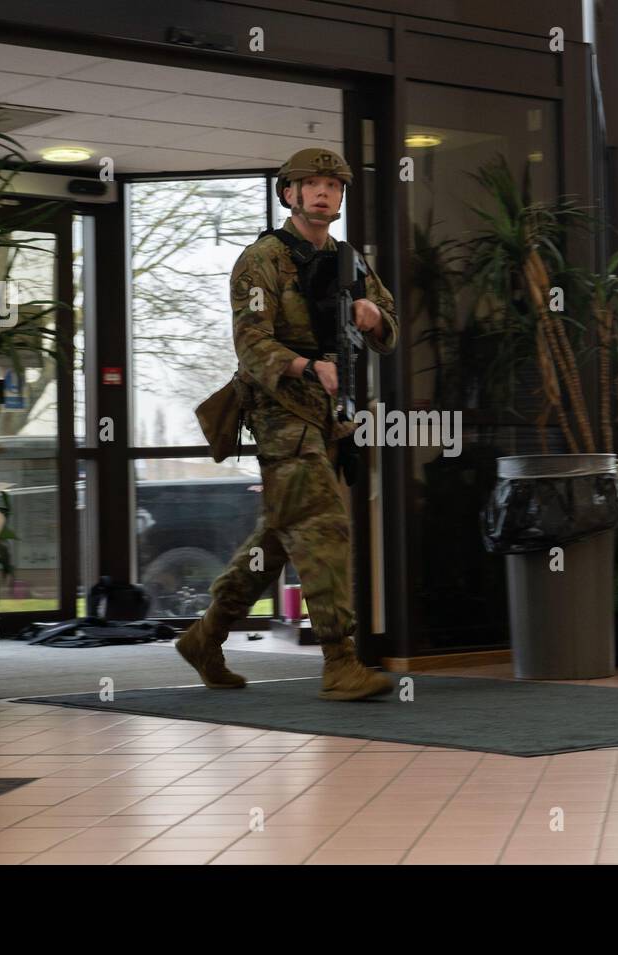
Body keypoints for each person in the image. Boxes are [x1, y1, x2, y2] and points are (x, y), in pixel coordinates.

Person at [175, 148, 398, 701]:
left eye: (333, 185)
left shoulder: (352, 262)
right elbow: (251, 342)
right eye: (311, 184)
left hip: (328, 416)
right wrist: (307, 365)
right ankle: (340, 661)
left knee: (276, 538)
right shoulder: (263, 259)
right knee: (324, 526)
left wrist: (373, 318)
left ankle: (206, 637)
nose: (324, 193)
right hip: (281, 412)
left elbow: (389, 327)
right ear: (289, 194)